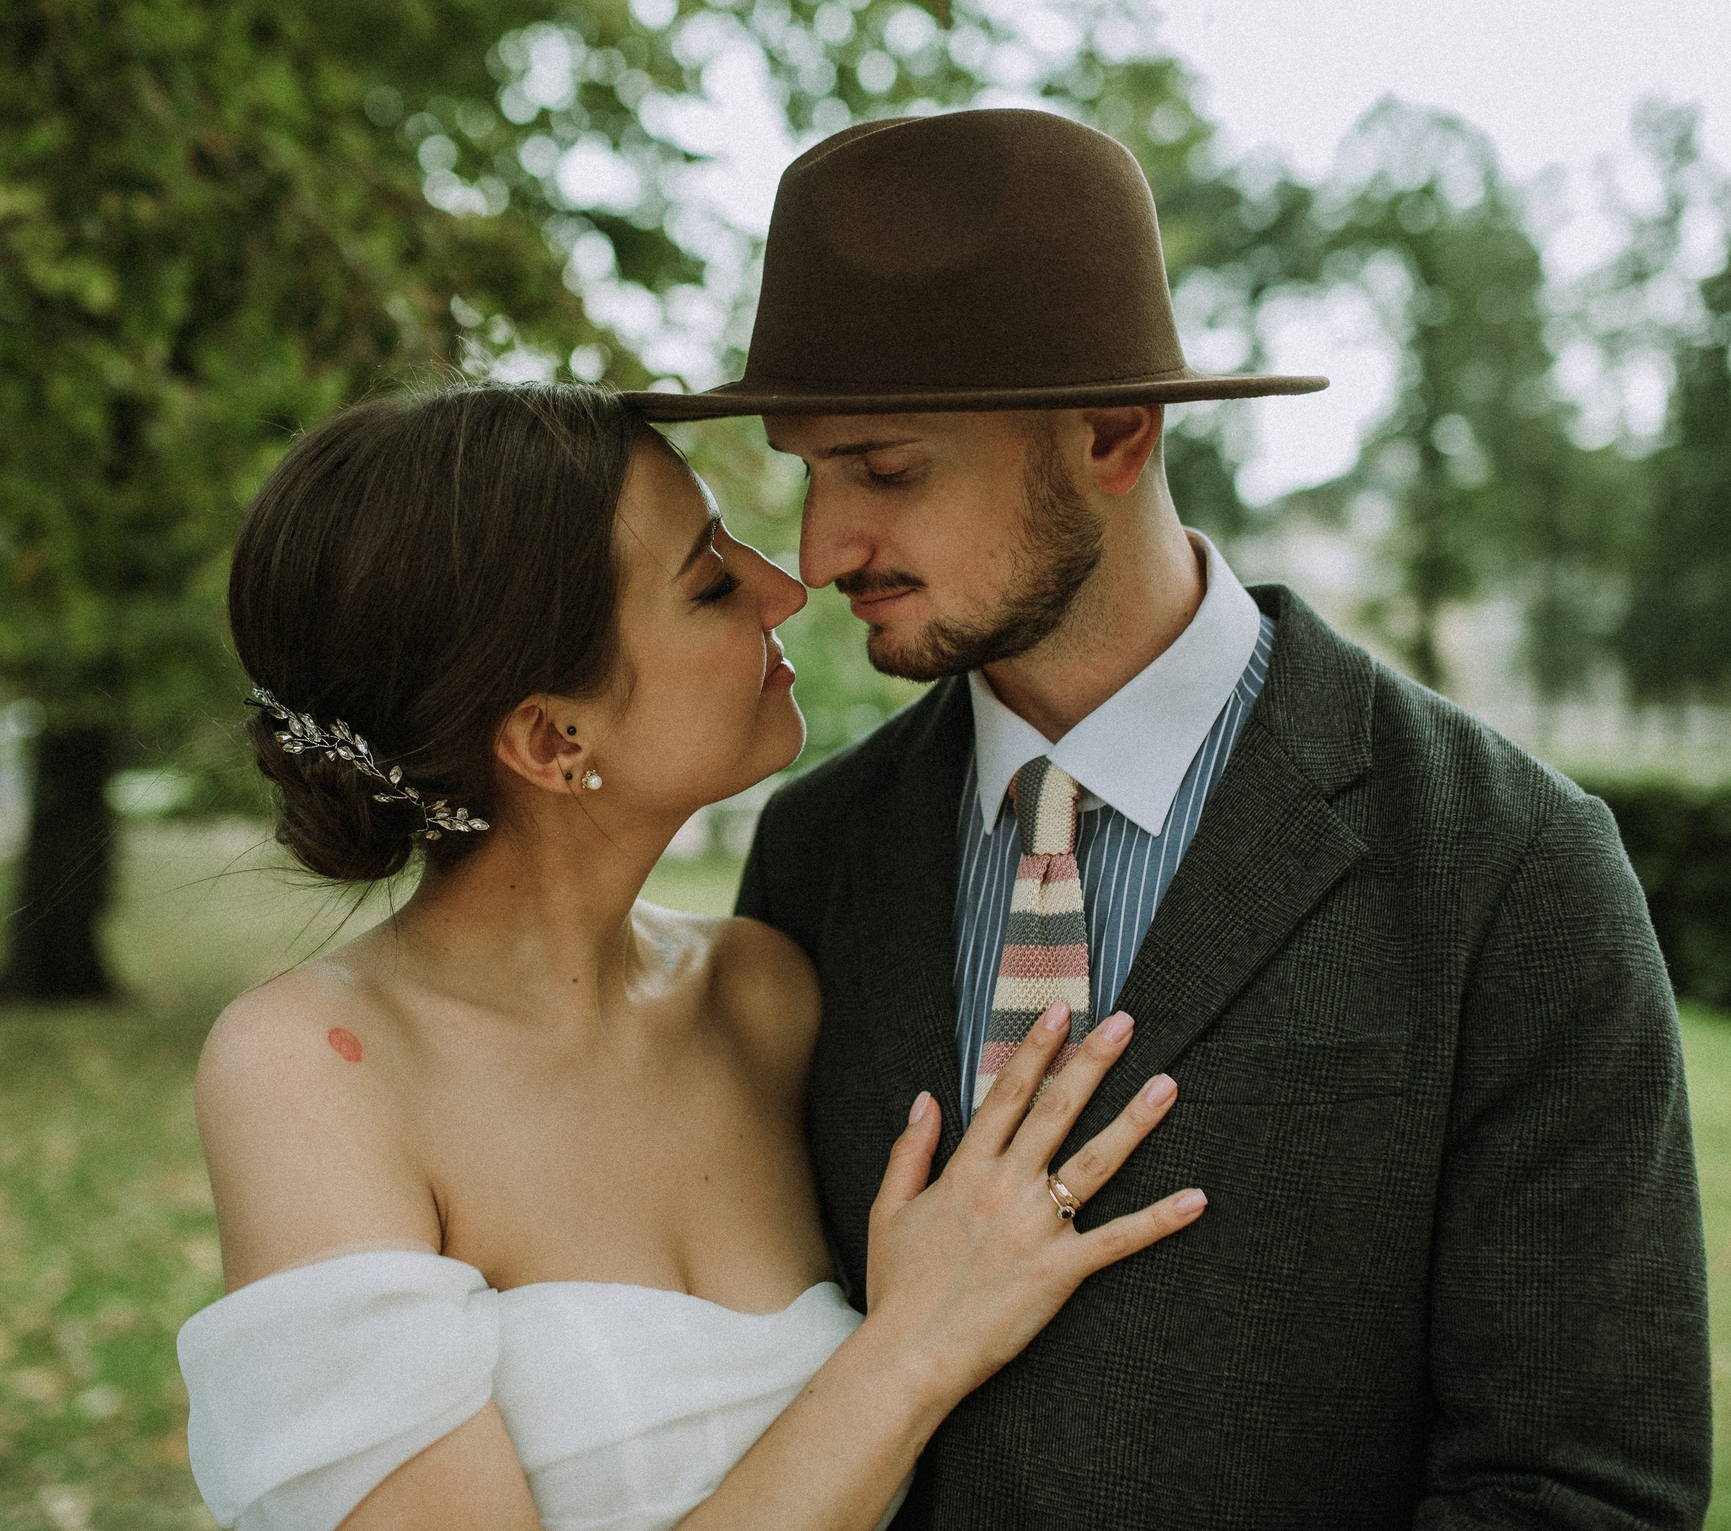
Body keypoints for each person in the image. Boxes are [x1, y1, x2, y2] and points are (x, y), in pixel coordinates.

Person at [628, 107, 1712, 1527]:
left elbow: (1582, 1491)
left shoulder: (1511, 863)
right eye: (809, 468)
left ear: (1114, 432)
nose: (825, 549)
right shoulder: (817, 851)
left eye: (885, 471)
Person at [178, 384, 1212, 1531]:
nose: (786, 582)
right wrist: (914, 1349)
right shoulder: (318, 1067)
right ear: (549, 737)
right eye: (712, 581)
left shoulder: (764, 994)